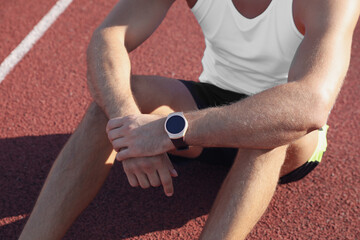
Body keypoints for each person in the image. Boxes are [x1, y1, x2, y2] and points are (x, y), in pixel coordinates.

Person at [19, 0, 360, 239]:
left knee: (267, 134)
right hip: (210, 102)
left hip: (287, 135)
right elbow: (108, 38)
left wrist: (170, 131)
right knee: (109, 107)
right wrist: (129, 122)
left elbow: (310, 104)